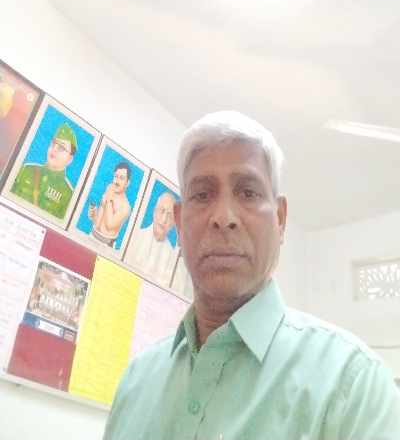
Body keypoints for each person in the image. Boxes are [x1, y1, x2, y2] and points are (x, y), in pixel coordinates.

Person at [103, 111, 400, 440]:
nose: (223, 217)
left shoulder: (352, 386)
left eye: (248, 192)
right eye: (202, 194)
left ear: (280, 220)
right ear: (179, 220)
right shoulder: (135, 384)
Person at [11, 123, 77, 219]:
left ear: (70, 159)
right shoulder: (26, 169)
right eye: (53, 144)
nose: (54, 149)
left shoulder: (68, 194)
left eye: (61, 148)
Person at [125, 191, 179, 286]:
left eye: (169, 216)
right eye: (162, 211)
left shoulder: (172, 257)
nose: (164, 220)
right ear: (154, 212)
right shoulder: (135, 237)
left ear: (173, 224)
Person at [89, 162, 132, 247]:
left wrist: (108, 198)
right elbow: (98, 222)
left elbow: (109, 225)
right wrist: (93, 214)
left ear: (127, 183)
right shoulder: (109, 189)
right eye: (116, 176)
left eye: (121, 178)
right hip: (92, 235)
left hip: (106, 244)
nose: (117, 181)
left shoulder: (126, 207)